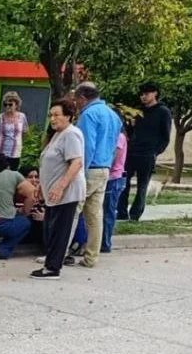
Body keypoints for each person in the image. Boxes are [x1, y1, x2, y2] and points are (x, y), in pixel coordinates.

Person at [30, 99, 86, 280]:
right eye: (51, 115)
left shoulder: (71, 134)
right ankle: (50, 264)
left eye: (57, 115)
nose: (52, 119)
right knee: (51, 229)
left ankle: (53, 268)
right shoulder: (57, 134)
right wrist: (41, 184)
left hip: (66, 193)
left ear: (68, 116)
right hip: (52, 192)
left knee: (59, 230)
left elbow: (76, 162)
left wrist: (61, 186)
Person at [73, 82, 123, 268]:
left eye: (77, 100)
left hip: (90, 168)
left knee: (73, 212)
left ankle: (59, 254)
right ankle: (91, 257)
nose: (76, 104)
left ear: (83, 98)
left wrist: (79, 173)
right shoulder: (113, 115)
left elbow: (87, 146)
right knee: (94, 215)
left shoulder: (88, 115)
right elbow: (114, 146)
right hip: (104, 169)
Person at [118, 82, 172, 221]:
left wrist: (155, 152)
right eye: (141, 94)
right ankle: (122, 212)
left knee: (142, 186)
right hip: (131, 152)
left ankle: (135, 214)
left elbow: (165, 136)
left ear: (155, 93)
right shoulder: (137, 112)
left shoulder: (163, 111)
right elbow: (129, 131)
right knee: (124, 183)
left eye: (146, 94)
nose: (143, 97)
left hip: (148, 154)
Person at [101, 123, 129, 253]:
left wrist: (104, 167)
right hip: (112, 177)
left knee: (109, 211)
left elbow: (114, 156)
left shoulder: (119, 137)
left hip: (114, 177)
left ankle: (105, 243)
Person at [0, 91, 29, 171]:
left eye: (10, 104)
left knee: (12, 173)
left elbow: (25, 132)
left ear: (16, 104)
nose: (7, 106)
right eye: (5, 104)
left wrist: (20, 143)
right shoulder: (0, 117)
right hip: (1, 151)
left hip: (15, 152)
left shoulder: (22, 116)